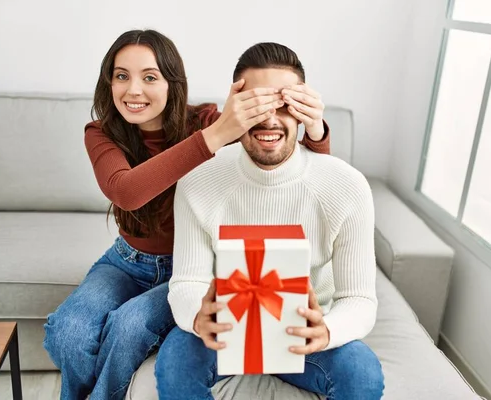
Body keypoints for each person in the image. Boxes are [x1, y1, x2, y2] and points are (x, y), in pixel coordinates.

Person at [42, 30, 331, 400]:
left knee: (130, 326)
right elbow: (127, 192)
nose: (133, 90)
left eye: (149, 77)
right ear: (108, 82)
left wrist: (315, 128)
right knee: (68, 332)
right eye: (121, 76)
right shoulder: (101, 133)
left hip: (191, 266)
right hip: (127, 260)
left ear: (172, 81)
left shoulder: (207, 119)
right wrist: (215, 136)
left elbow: (299, 173)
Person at [156, 42, 384, 400]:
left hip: (307, 333)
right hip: (225, 328)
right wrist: (199, 317)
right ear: (234, 110)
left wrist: (326, 330)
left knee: (363, 375)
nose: (269, 119)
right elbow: (186, 281)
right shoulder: (198, 181)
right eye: (255, 105)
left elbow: (359, 299)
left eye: (283, 104)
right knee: (174, 363)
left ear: (304, 111)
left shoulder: (347, 186)